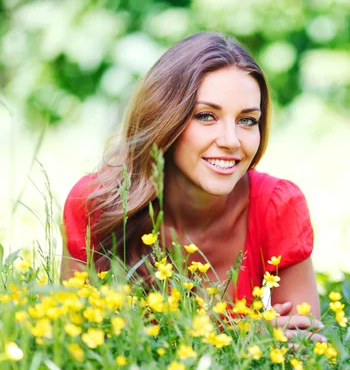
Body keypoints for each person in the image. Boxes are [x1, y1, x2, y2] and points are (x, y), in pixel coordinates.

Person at [62, 32, 323, 341]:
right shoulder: (97, 203)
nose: (231, 141)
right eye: (205, 116)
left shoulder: (277, 205)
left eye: (247, 120)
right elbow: (67, 336)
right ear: (164, 119)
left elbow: (306, 345)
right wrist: (248, 336)